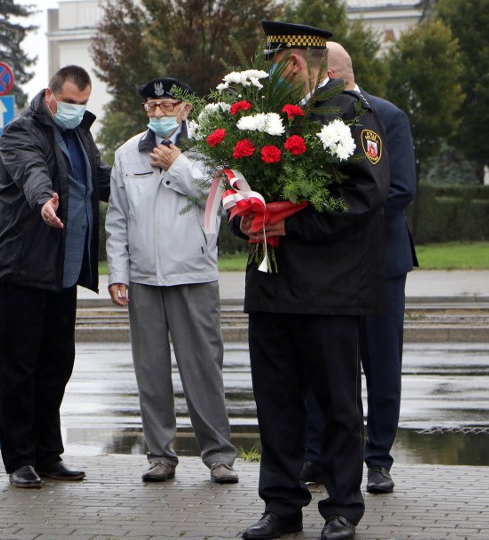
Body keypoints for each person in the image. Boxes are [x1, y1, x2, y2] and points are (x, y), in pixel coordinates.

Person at [237, 22, 390, 540]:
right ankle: (281, 506)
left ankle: (343, 506)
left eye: (274, 63)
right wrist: (244, 215)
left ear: (295, 63)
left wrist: (291, 222)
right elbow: (241, 183)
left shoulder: (353, 115)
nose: (269, 74)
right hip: (272, 286)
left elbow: (364, 199)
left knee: (338, 405)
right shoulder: (265, 121)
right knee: (276, 404)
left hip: (329, 290)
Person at [105, 78, 238, 484]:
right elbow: (117, 219)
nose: (159, 114)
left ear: (184, 108)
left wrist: (177, 164)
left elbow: (218, 198)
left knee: (203, 368)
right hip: (145, 277)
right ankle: (160, 455)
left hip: (193, 273)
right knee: (151, 371)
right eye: (152, 107)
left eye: (167, 106)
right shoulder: (127, 154)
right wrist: (117, 273)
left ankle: (218, 456)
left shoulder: (208, 147)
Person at [0, 65, 111, 489]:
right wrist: (44, 200)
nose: (77, 110)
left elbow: (96, 181)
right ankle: (19, 458)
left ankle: (47, 453)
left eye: (83, 104)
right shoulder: (21, 132)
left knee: (57, 365)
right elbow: (32, 173)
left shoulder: (80, 135)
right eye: (71, 102)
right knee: (19, 369)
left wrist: (144, 169)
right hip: (21, 269)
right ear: (51, 95)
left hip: (62, 270)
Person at [302, 42, 419, 495]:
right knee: (323, 363)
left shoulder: (387, 116)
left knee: (381, 364)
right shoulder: (309, 118)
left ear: (332, 73)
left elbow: (401, 189)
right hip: (328, 265)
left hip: (379, 262)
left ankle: (378, 460)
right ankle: (318, 455)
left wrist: (339, 219)